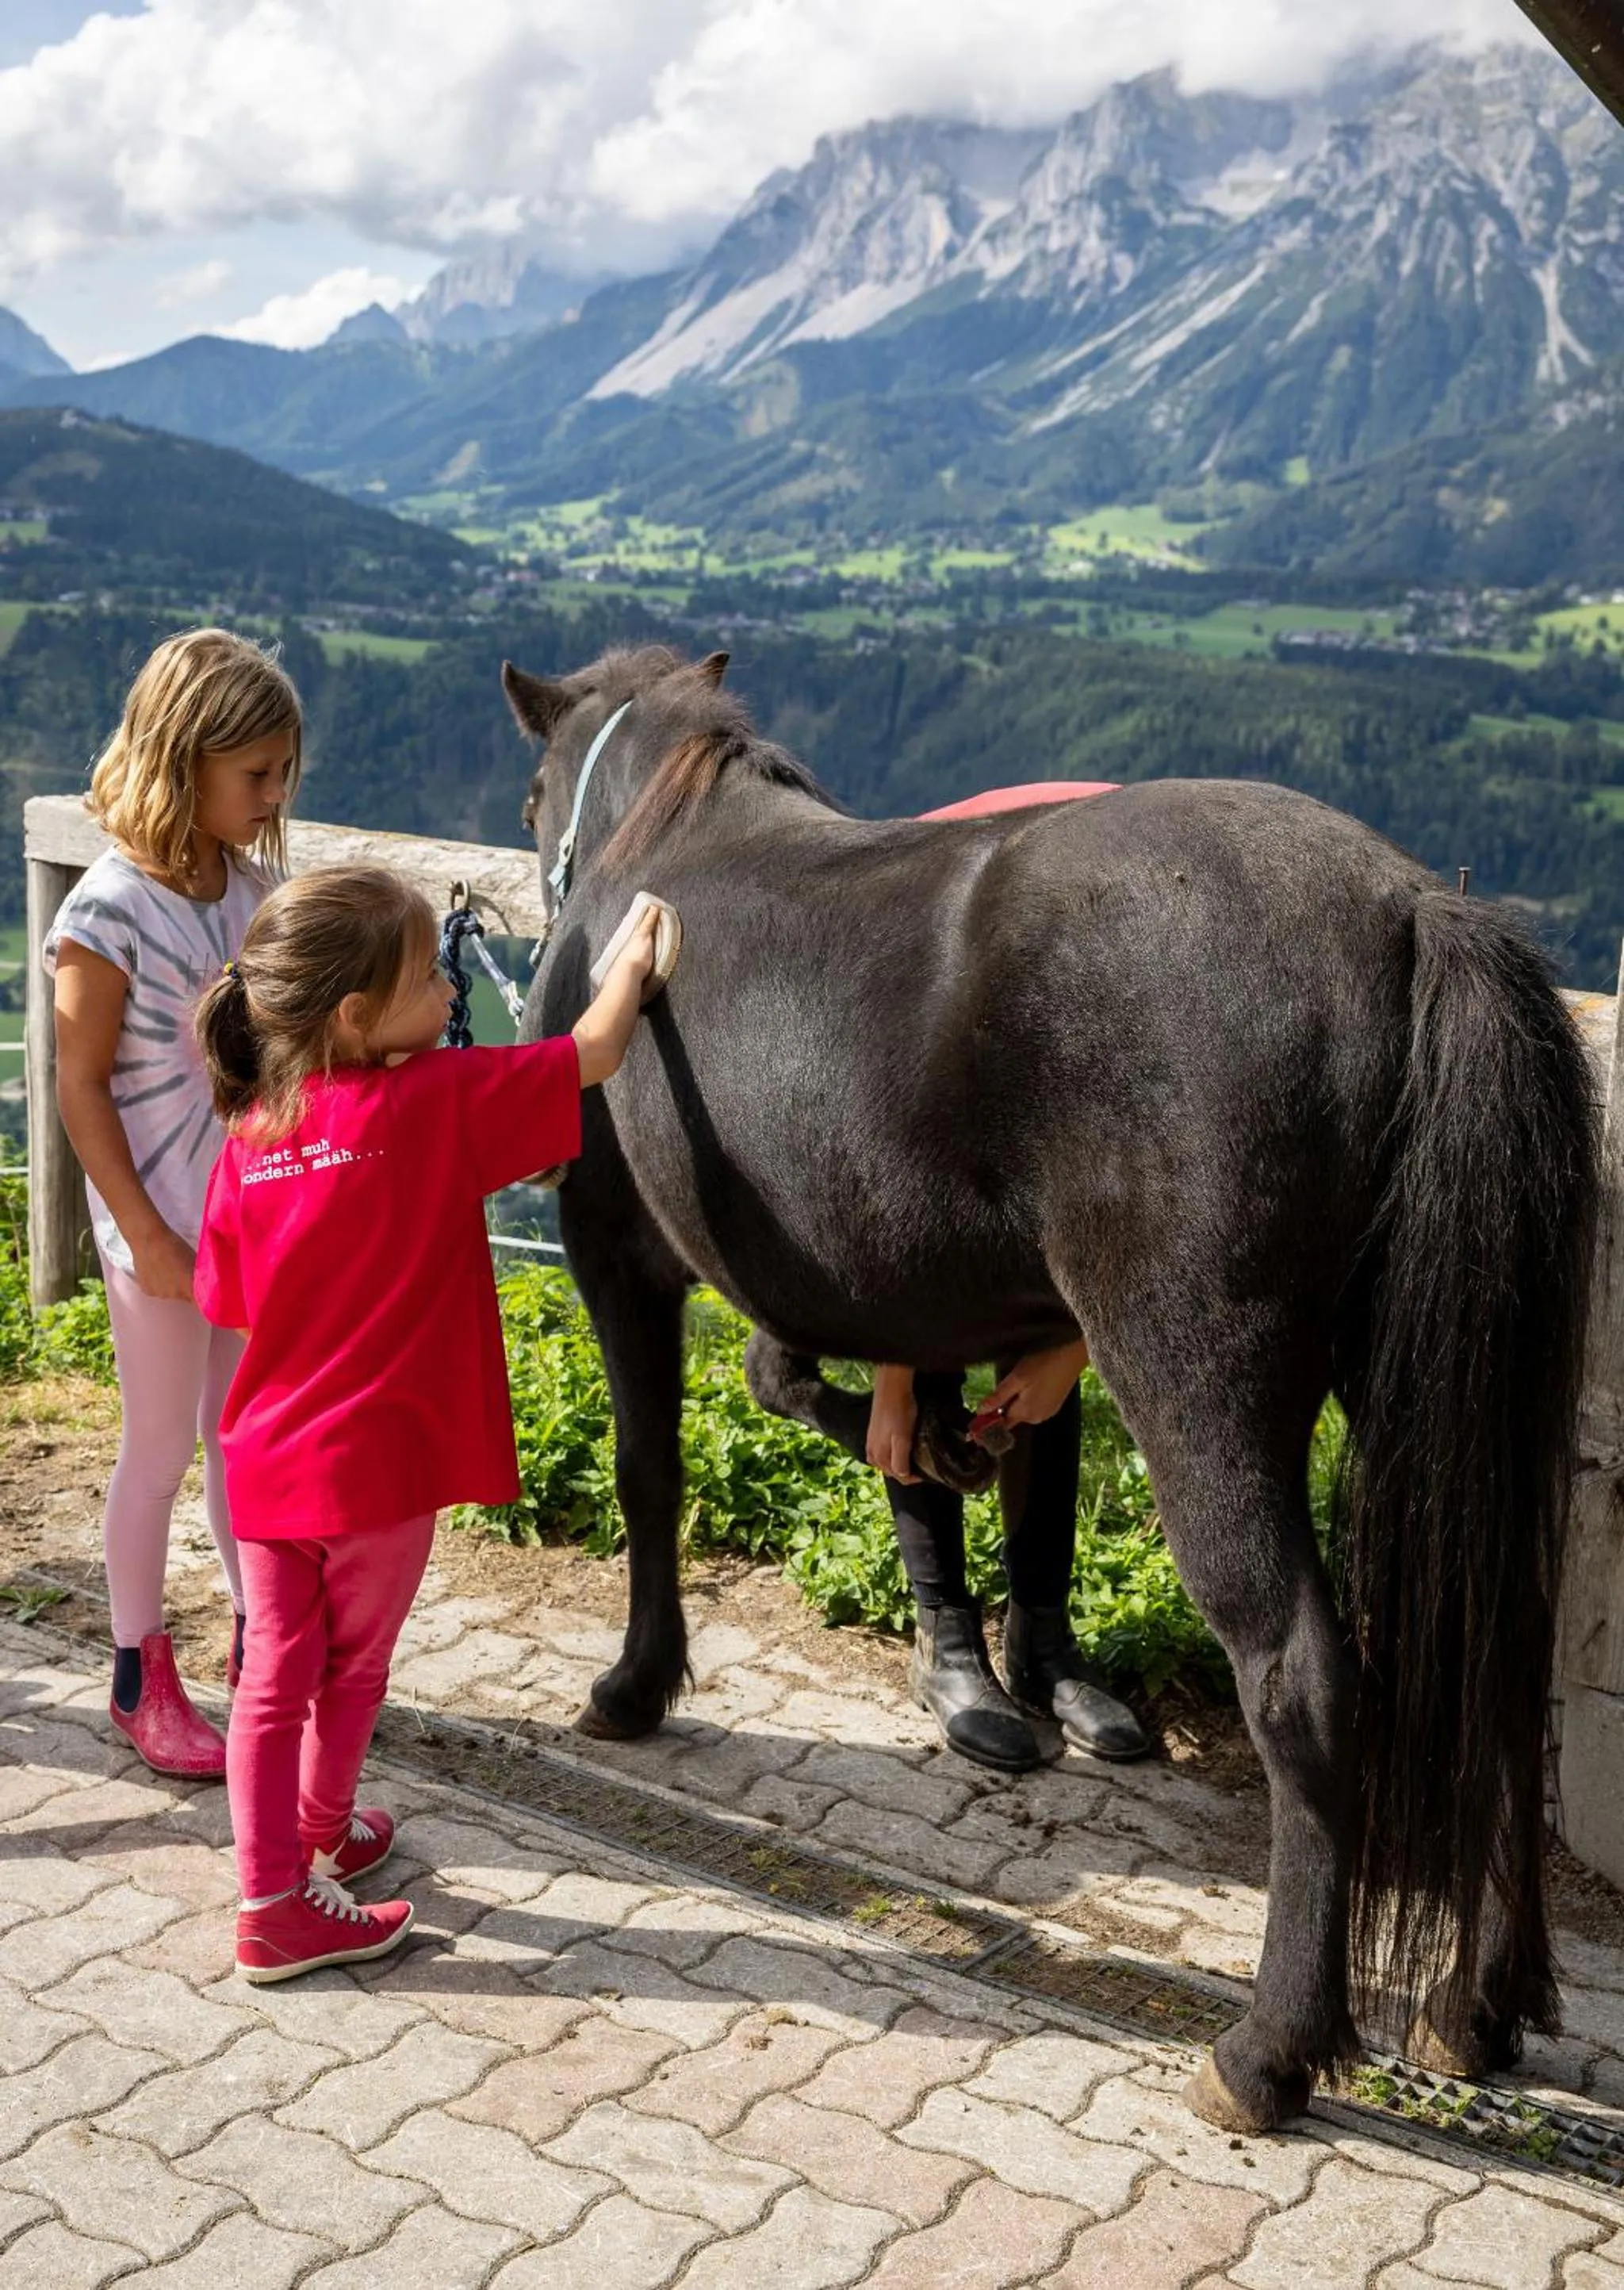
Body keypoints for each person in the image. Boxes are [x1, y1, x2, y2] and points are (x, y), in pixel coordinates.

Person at [193, 864, 662, 1984]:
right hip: (378, 1470)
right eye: (423, 979)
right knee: (351, 1668)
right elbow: (593, 1051)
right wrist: (632, 961)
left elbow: (231, 1300)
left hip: (264, 1462)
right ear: (355, 1016)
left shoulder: (251, 1133)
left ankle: (286, 1867)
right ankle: (302, 1861)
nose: (447, 993)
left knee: (270, 1675)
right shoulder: (433, 1103)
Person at [48, 628, 300, 1778]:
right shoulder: (105, 912)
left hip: (242, 1225)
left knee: (240, 1440)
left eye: (283, 772)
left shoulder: (250, 891)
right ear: (183, 758)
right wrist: (144, 1233)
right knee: (156, 1450)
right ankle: (140, 1672)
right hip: (155, 1236)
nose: (274, 795)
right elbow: (77, 1081)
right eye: (257, 773)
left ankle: (265, 1647)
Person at [868, 1353, 1150, 1770]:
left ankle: (1040, 1645)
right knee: (927, 1333)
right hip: (905, 1301)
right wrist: (893, 1387)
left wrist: (1065, 1357)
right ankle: (942, 1650)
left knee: (1042, 1340)